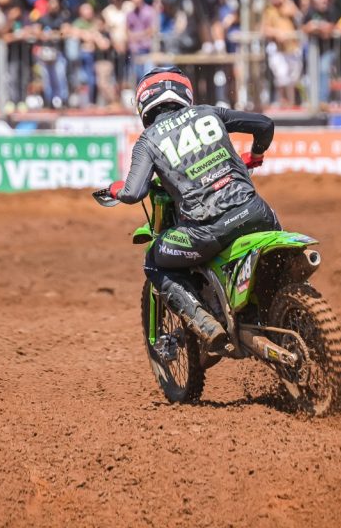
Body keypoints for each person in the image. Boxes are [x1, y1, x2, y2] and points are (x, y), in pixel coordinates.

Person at [103, 66, 280, 349]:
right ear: (185, 91)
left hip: (206, 231)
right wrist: (256, 155)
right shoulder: (209, 113)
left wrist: (117, 190)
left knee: (154, 259)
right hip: (257, 212)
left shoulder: (148, 141)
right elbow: (264, 125)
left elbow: (134, 191)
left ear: (144, 103)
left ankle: (203, 320)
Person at [261, 0, 302, 106]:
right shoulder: (269, 11)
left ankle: (292, 101)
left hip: (293, 47)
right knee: (281, 75)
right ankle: (282, 101)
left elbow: (299, 18)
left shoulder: (290, 8)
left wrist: (286, 0)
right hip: (277, 48)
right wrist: (277, 33)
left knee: (294, 77)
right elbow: (264, 29)